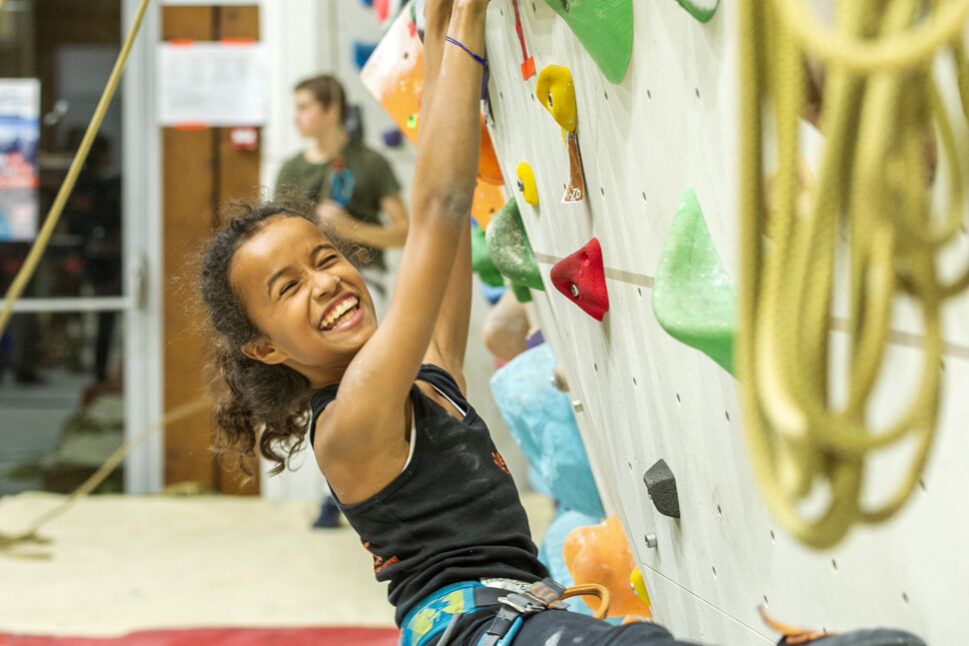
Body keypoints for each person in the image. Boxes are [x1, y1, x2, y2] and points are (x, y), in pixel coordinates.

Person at [199, 1, 924, 644]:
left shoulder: (431, 374)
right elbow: (439, 208)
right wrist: (471, 22)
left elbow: (444, 227)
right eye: (288, 287)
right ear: (262, 346)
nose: (325, 282)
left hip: (524, 615)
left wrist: (443, 30)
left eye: (325, 258)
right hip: (476, 630)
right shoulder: (351, 420)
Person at [274, 73, 410, 527]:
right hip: (308, 301)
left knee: (376, 385)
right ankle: (334, 494)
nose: (299, 117)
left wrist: (351, 231)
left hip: (365, 285)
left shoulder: (370, 163)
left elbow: (404, 231)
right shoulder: (291, 170)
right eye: (295, 108)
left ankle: (390, 487)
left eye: (306, 107)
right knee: (321, 390)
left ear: (332, 109)